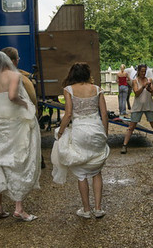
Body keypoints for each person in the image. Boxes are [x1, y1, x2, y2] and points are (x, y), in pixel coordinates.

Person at [0, 50, 41, 222]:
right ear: (12, 60)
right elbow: (12, 96)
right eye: (18, 57)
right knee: (15, 163)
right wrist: (24, 103)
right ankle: (19, 209)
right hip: (12, 125)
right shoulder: (14, 75)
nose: (19, 60)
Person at [51, 63, 110, 219]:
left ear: (72, 74)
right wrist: (105, 133)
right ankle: (98, 209)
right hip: (96, 129)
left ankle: (86, 210)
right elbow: (104, 114)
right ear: (87, 74)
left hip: (80, 131)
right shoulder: (97, 89)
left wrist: (61, 131)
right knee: (97, 171)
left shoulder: (69, 90)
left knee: (82, 173)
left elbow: (68, 114)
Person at [121, 64, 153, 154]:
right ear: (138, 71)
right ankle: (124, 145)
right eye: (142, 71)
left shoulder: (149, 80)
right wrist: (143, 86)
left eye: (144, 71)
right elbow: (136, 93)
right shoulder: (135, 81)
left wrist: (150, 89)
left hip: (149, 106)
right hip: (138, 107)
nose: (143, 73)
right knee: (131, 127)